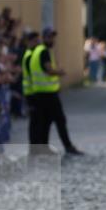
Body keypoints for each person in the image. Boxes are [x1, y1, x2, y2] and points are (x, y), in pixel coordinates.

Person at [29, 27, 84, 155]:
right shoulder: (43, 51)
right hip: (47, 93)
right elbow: (48, 70)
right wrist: (59, 72)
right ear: (44, 38)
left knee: (46, 121)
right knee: (60, 120)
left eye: (53, 37)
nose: (52, 40)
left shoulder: (38, 51)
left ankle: (44, 147)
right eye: (49, 37)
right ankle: (68, 146)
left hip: (41, 92)